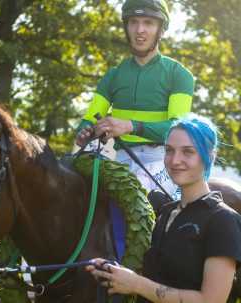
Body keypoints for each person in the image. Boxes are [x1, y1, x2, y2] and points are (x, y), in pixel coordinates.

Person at [86, 114, 241, 303]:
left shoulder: (224, 221)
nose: (174, 160)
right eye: (169, 151)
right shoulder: (165, 213)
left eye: (188, 152)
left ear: (209, 156)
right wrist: (116, 274)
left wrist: (136, 284)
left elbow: (210, 300)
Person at [75, 0, 194, 199]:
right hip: (118, 159)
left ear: (161, 29)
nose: (140, 30)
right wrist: (85, 132)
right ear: (126, 27)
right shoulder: (112, 76)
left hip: (162, 160)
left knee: (138, 191)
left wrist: (131, 126)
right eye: (134, 22)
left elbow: (178, 130)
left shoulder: (179, 75)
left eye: (148, 23)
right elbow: (88, 120)